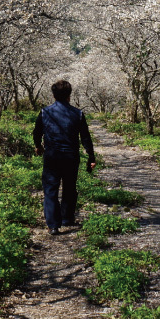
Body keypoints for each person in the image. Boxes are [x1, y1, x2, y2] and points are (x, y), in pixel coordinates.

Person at [33, 79, 96, 235]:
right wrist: (91, 157)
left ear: (53, 95)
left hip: (52, 156)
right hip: (71, 156)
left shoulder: (45, 112)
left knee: (50, 188)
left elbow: (37, 132)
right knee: (69, 187)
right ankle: (67, 218)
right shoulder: (78, 114)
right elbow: (86, 138)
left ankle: (53, 225)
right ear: (69, 95)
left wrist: (38, 146)